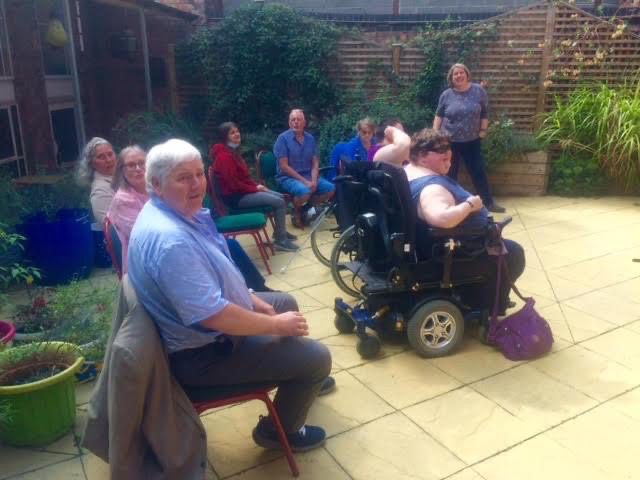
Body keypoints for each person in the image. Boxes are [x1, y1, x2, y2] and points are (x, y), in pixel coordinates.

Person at [127, 139, 332, 452]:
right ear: (156, 184)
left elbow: (214, 272)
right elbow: (213, 316)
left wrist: (250, 296)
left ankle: (298, 375)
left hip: (205, 332)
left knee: (283, 303)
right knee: (318, 358)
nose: (196, 184)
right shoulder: (171, 242)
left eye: (199, 173)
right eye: (183, 177)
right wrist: (276, 327)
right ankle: (278, 431)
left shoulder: (174, 211)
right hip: (204, 356)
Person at [106, 145, 271, 292]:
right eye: (130, 165)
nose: (138, 168)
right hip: (152, 263)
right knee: (216, 251)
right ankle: (247, 293)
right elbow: (150, 236)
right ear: (121, 170)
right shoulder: (123, 200)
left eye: (142, 163)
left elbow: (187, 215)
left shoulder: (153, 190)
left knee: (227, 244)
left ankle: (253, 289)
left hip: (179, 240)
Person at [405, 128, 525, 313]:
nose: (448, 155)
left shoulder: (408, 171)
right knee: (514, 252)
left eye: (448, 150)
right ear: (421, 156)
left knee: (508, 248)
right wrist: (470, 205)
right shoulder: (432, 187)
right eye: (441, 153)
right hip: (458, 251)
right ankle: (491, 307)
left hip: (438, 245)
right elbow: (441, 218)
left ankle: (477, 297)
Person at [210, 122, 299, 252]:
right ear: (225, 137)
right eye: (232, 133)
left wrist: (257, 186)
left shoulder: (232, 152)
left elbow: (243, 179)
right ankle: (281, 241)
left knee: (280, 197)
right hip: (236, 198)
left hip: (243, 193)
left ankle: (280, 233)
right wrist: (255, 189)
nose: (237, 134)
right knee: (279, 202)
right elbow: (233, 185)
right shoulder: (224, 157)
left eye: (237, 131)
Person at [433, 63, 505, 213]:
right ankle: (450, 203)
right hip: (449, 141)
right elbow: (439, 115)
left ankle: (488, 202)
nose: (458, 76)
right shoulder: (447, 94)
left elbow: (484, 112)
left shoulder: (478, 91)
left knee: (478, 171)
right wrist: (435, 135)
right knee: (450, 173)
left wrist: (483, 130)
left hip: (472, 140)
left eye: (461, 73)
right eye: (455, 74)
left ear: (467, 74)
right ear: (451, 78)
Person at [274, 109, 335, 228]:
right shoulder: (282, 139)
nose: (296, 122)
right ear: (289, 123)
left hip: (308, 175)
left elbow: (315, 162)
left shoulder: (310, 139)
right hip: (287, 177)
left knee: (331, 189)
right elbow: (284, 166)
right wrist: (305, 182)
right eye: (293, 120)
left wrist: (313, 180)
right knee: (304, 191)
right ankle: (295, 210)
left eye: (299, 119)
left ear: (304, 122)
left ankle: (305, 209)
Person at [76, 137, 116, 224]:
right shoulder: (100, 191)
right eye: (101, 157)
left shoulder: (122, 177)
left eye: (110, 154)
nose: (108, 160)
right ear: (92, 163)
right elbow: (110, 228)